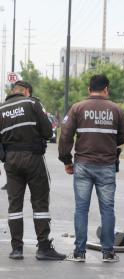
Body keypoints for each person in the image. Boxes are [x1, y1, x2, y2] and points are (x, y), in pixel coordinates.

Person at [59, 74, 124, 262]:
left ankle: (79, 252)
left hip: (82, 165)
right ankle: (108, 252)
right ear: (106, 89)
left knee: (81, 209)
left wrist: (66, 160)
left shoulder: (77, 108)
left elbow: (65, 136)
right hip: (106, 165)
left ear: (89, 89)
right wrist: (109, 142)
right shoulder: (116, 110)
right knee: (107, 209)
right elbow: (123, 135)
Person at [0, 80, 66, 261]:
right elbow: (47, 132)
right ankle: (43, 247)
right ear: (27, 91)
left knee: (14, 205)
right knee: (40, 202)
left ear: (13, 91)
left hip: (11, 161)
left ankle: (16, 249)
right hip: (33, 158)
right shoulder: (32, 103)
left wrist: (4, 157)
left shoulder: (1, 109)